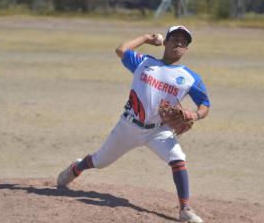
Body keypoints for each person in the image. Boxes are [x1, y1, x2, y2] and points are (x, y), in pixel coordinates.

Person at [57, 25, 210, 223]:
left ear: (186, 49)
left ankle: (185, 209)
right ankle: (76, 168)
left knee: (178, 159)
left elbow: (205, 104)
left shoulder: (190, 78)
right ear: (166, 42)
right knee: (100, 161)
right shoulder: (144, 62)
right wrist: (146, 38)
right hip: (128, 126)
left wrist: (194, 115)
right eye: (175, 39)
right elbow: (121, 50)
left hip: (158, 131)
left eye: (184, 42)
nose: (179, 43)